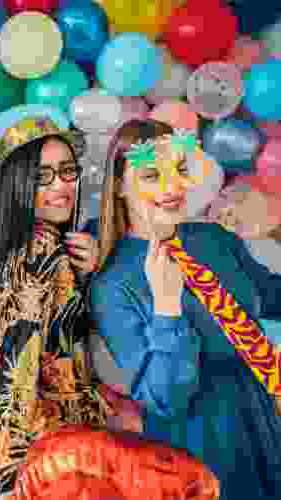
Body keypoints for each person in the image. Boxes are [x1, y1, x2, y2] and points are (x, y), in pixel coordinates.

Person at [90, 118, 281, 500]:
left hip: (261, 427)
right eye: (150, 175)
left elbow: (270, 295)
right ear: (119, 187)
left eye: (178, 169)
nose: (171, 186)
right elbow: (164, 398)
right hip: (200, 450)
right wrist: (166, 309)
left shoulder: (213, 237)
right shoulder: (113, 284)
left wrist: (274, 226)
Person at [0, 117, 107, 499]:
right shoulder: (36, 255)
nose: (61, 186)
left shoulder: (56, 247)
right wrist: (6, 482)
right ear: (20, 186)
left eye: (68, 172)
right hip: (49, 458)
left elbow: (63, 339)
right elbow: (17, 375)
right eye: (43, 176)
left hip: (73, 447)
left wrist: (89, 276)